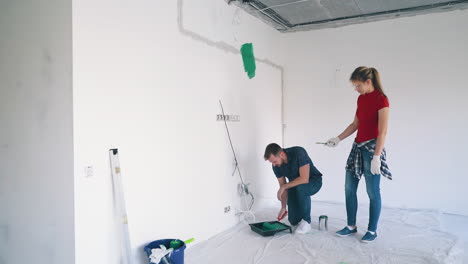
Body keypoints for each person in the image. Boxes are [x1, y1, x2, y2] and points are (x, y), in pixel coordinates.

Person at [325, 66, 392, 243]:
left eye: (357, 85)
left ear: (368, 82)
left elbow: (383, 131)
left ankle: (372, 230)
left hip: (372, 150)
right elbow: (355, 124)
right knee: (349, 188)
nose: (356, 89)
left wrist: (377, 156)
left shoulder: (382, 100)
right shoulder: (361, 99)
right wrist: (338, 139)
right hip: (357, 148)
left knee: (372, 192)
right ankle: (351, 226)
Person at [264, 143, 323, 234]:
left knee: (301, 187)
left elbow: (304, 179)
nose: (274, 165)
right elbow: (283, 187)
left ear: (282, 155)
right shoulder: (276, 166)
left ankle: (307, 222)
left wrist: (284, 186)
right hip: (295, 186)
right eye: (272, 163)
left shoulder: (299, 152)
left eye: (274, 161)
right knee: (293, 221)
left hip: (314, 181)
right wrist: (283, 207)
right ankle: (299, 218)